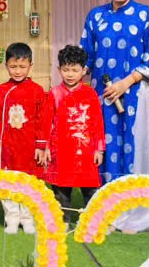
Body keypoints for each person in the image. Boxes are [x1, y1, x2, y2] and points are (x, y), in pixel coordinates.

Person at [81, 0, 149, 234]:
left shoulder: (146, 15)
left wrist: (125, 83)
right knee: (103, 151)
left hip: (134, 96)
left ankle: (134, 215)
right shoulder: (95, 16)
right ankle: (106, 212)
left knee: (134, 149)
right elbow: (85, 57)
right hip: (100, 96)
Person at [0, 42, 48, 234]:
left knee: (30, 182)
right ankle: (12, 218)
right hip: (8, 146)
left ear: (31, 66)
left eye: (22, 66)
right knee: (9, 182)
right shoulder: (1, 90)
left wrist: (40, 146)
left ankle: (28, 218)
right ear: (6, 65)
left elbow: (42, 120)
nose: (18, 71)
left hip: (30, 146)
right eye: (13, 66)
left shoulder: (38, 90)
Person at [41, 45, 106, 224]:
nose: (70, 74)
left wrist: (99, 149)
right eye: (66, 70)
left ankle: (93, 223)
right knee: (61, 191)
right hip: (60, 151)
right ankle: (63, 223)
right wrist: (45, 148)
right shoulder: (54, 94)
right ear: (59, 70)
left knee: (90, 189)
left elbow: (98, 123)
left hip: (86, 151)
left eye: (75, 70)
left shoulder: (90, 94)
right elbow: (46, 123)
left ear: (83, 70)